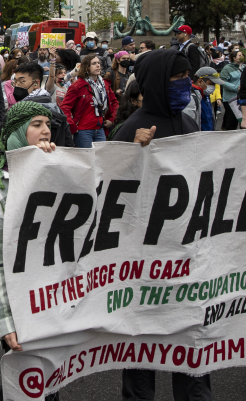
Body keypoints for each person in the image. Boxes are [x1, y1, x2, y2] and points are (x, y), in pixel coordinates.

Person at [112, 49, 208, 401]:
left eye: (188, 77)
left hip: (185, 256)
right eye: (178, 78)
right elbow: (108, 189)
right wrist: (132, 155)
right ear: (157, 83)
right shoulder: (132, 128)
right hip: (144, 264)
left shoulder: (187, 123)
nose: (187, 85)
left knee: (190, 347)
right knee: (143, 349)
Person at [0, 101, 59, 401]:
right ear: (15, 131)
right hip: (23, 301)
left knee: (49, 381)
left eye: (47, 124)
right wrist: (6, 319)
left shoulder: (58, 164)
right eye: (36, 124)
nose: (45, 130)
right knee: (32, 385)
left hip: (58, 295)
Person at [60, 54, 119, 148]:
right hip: (83, 130)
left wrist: (112, 120)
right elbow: (64, 107)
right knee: (86, 160)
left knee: (100, 159)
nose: (98, 65)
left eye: (99, 63)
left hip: (100, 129)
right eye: (94, 63)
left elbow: (115, 103)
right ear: (86, 67)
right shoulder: (77, 85)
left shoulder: (105, 84)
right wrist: (72, 126)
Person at [12, 62, 74, 147]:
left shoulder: (53, 110)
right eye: (15, 82)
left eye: (22, 81)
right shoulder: (17, 109)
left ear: (36, 83)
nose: (17, 85)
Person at [190, 67, 223, 132]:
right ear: (200, 81)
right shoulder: (191, 97)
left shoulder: (205, 95)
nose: (213, 87)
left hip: (208, 137)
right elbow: (190, 124)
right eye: (210, 84)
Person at [219, 49, 243, 129]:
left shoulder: (244, 67)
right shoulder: (227, 68)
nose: (242, 56)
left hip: (242, 98)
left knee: (242, 120)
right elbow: (222, 81)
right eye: (239, 55)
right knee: (232, 121)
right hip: (230, 98)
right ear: (234, 58)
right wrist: (236, 88)